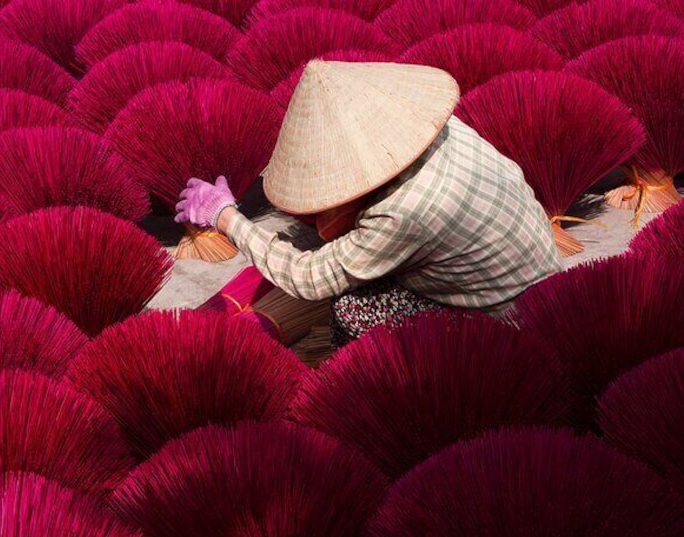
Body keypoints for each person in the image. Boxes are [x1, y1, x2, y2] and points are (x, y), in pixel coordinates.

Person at [175, 61, 562, 347]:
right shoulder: (433, 126)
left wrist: (225, 217)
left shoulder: (404, 212)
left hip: (509, 319)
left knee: (350, 309)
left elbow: (309, 279)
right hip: (550, 277)